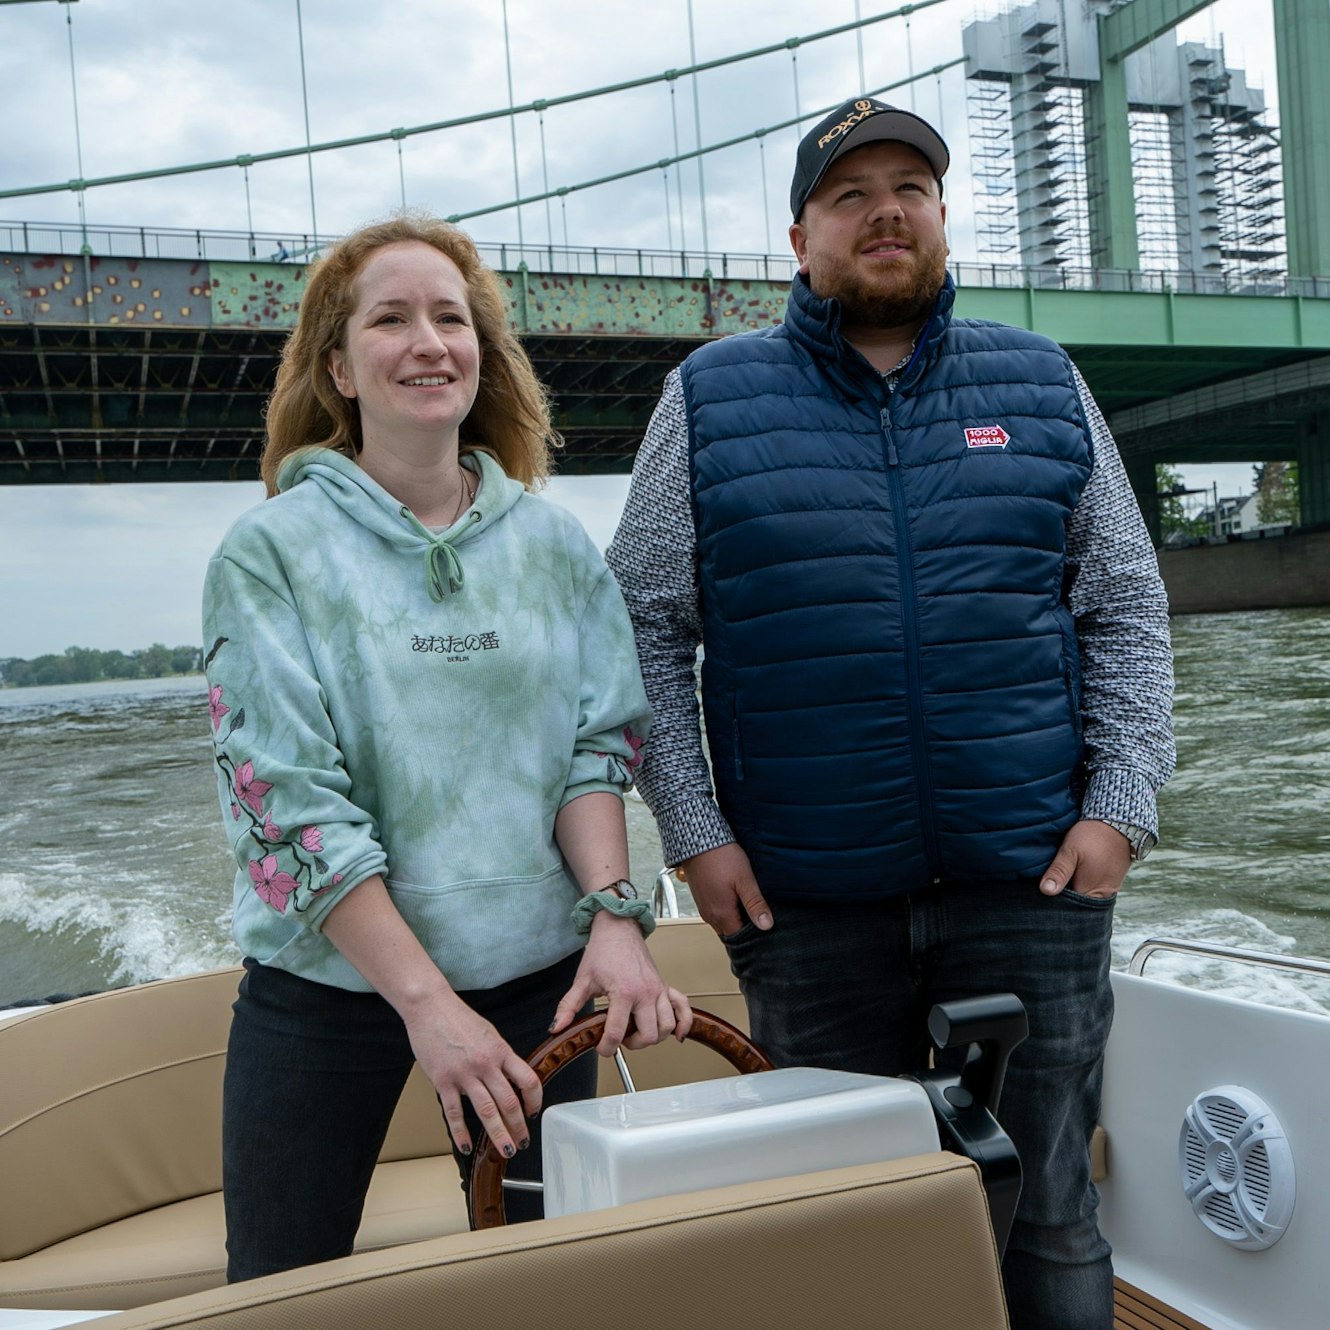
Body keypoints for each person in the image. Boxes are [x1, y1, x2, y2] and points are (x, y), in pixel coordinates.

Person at [606, 98, 1174, 1330]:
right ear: (798, 237)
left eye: (909, 186)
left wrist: (1118, 807)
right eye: (849, 192)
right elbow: (642, 624)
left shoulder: (1041, 380)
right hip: (803, 904)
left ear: (941, 219)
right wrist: (694, 834)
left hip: (1033, 886)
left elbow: (1124, 603)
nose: (884, 211)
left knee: (1052, 1209)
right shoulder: (705, 399)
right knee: (839, 1216)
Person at [203, 213, 691, 1284]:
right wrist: (430, 1007)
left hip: (537, 980)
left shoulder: (554, 546)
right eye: (391, 319)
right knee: (282, 1290)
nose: (428, 341)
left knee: (541, 1285)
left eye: (450, 318)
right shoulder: (268, 552)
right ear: (338, 366)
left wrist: (614, 920)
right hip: (327, 990)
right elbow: (288, 809)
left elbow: (593, 748)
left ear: (482, 352)